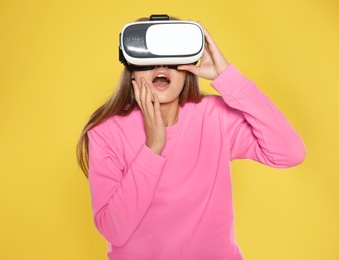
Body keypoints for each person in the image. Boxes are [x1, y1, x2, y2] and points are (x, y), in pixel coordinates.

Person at [76, 15, 306, 260]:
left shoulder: (215, 116)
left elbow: (289, 152)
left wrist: (226, 76)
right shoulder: (106, 133)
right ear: (131, 69)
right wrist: (153, 148)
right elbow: (114, 230)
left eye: (172, 56)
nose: (161, 65)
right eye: (149, 57)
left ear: (187, 71)